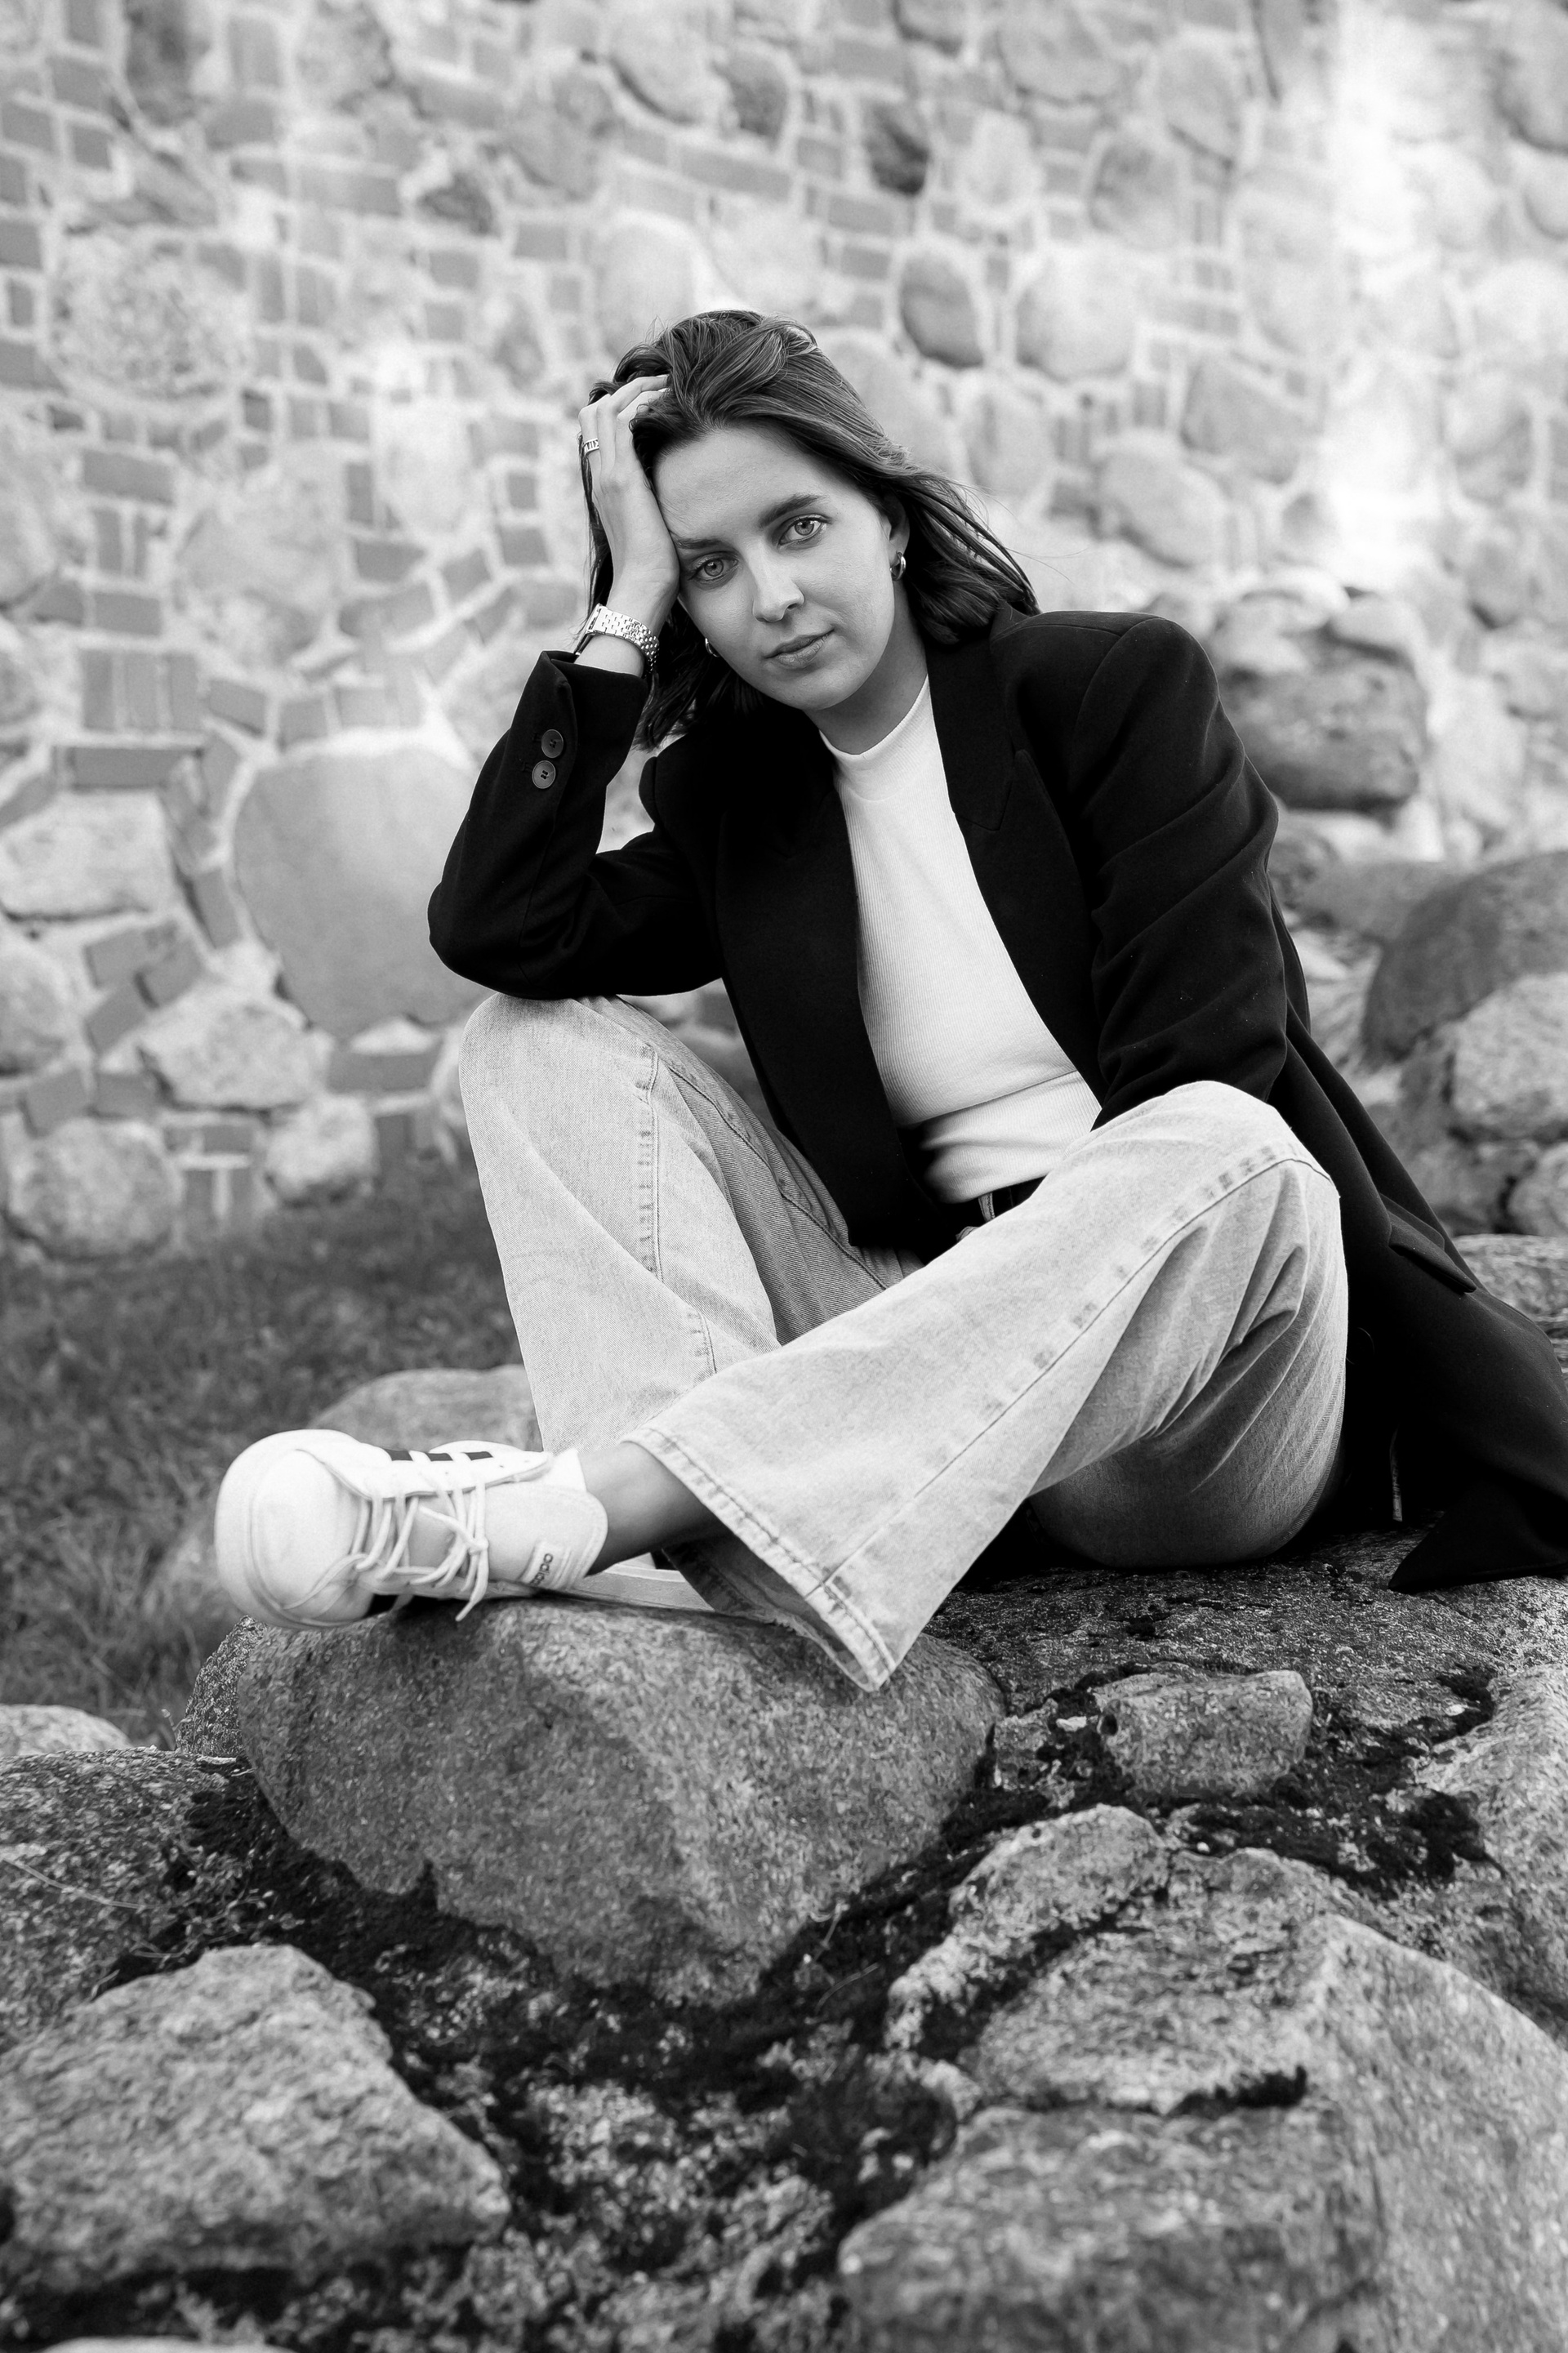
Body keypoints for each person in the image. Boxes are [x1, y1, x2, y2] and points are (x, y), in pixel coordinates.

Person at [213, 310, 1568, 1690]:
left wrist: (973, 1334)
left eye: (800, 527)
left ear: (893, 518)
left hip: (1193, 1399)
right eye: (712, 568)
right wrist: (623, 610)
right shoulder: (743, 803)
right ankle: (682, 1554)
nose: (774, 597)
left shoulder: (1112, 693)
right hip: (919, 1348)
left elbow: (1206, 1064)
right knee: (532, 1040)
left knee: (1230, 1142)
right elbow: (503, 927)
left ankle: (599, 1506)